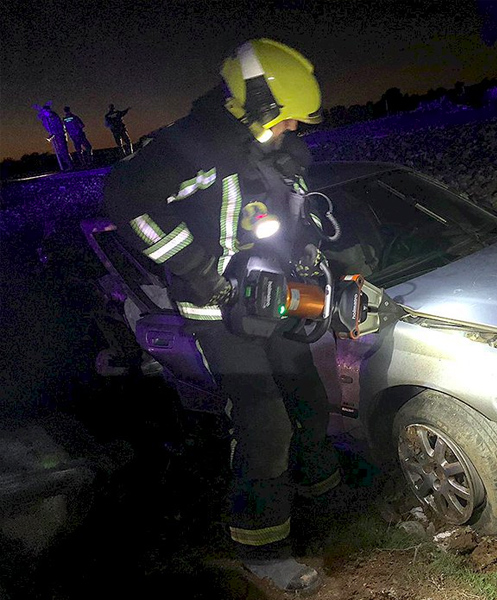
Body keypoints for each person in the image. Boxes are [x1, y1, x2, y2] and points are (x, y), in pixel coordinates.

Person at [104, 39, 338, 593]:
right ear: (256, 104)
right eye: (287, 118)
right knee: (263, 420)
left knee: (308, 400)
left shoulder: (270, 146)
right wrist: (199, 269)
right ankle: (263, 549)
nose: (293, 129)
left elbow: (291, 204)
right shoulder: (193, 147)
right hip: (219, 308)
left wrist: (308, 240)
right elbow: (127, 204)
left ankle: (327, 506)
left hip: (277, 294)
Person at [33, 102, 73, 171]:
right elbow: (40, 116)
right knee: (60, 151)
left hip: (59, 134)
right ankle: (68, 165)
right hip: (55, 135)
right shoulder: (46, 118)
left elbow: (50, 117)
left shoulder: (53, 115)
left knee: (63, 150)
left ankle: (70, 165)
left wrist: (40, 109)